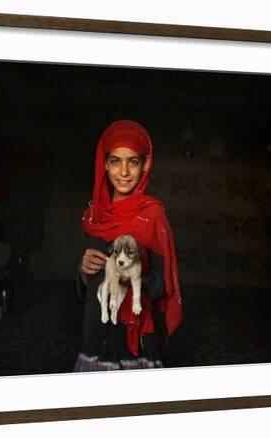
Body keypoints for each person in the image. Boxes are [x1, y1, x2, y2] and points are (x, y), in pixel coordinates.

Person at [73, 119, 182, 371]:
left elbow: (163, 283)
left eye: (132, 161)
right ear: (104, 165)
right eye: (115, 161)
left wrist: (135, 279)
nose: (123, 172)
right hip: (96, 330)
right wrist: (81, 269)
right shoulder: (93, 216)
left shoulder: (152, 215)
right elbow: (86, 282)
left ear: (145, 165)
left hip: (135, 336)